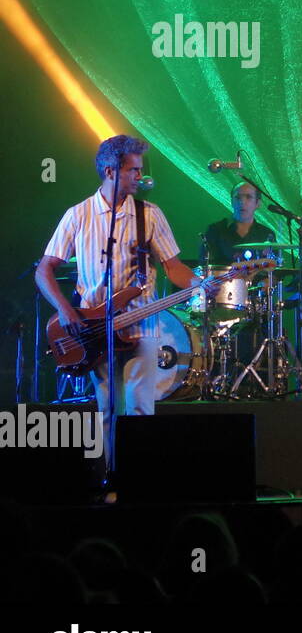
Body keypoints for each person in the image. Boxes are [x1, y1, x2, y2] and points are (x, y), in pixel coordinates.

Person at [35, 135, 200, 435]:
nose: (140, 176)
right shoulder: (78, 215)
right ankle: (112, 479)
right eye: (133, 170)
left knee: (139, 411)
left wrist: (199, 283)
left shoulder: (148, 214)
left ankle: (138, 478)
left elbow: (172, 266)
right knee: (108, 413)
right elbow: (44, 269)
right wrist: (64, 310)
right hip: (96, 332)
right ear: (111, 171)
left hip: (143, 327)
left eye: (140, 170)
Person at [203, 182, 276, 264]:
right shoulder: (215, 230)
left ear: (258, 203)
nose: (242, 202)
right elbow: (207, 267)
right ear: (231, 202)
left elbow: (274, 270)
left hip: (257, 277)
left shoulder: (267, 234)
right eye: (238, 197)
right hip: (224, 276)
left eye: (248, 197)